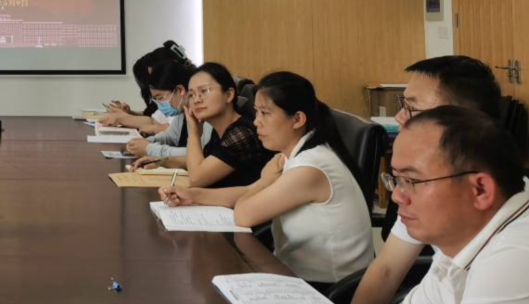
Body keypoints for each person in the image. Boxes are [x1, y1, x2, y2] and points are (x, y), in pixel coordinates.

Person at [226, 106, 529, 304]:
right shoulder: (466, 244)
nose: (396, 196)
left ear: (480, 190)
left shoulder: (520, 255)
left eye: (412, 181)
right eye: (396, 180)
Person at [350, 55, 529, 304]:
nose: (399, 116)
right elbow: (387, 269)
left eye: (411, 107)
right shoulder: (429, 185)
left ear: (459, 118)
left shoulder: (510, 228)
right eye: (402, 104)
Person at [160, 72, 373, 285]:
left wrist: (264, 181)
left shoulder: (310, 167)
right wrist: (192, 195)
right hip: (293, 272)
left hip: (324, 288)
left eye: (265, 113)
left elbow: (244, 214)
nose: (256, 122)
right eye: (256, 112)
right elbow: (249, 191)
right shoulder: (293, 153)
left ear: (298, 119)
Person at [155, 63, 272, 188]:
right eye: (191, 95)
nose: (196, 100)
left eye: (204, 91)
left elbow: (196, 178)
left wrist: (193, 133)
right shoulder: (220, 130)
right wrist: (161, 161)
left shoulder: (242, 133)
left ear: (228, 95)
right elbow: (204, 161)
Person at [126, 57, 200, 163]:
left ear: (180, 90)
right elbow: (171, 136)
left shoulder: (203, 113)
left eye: (160, 98)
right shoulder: (182, 111)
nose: (160, 104)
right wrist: (147, 141)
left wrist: (149, 148)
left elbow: (195, 153)